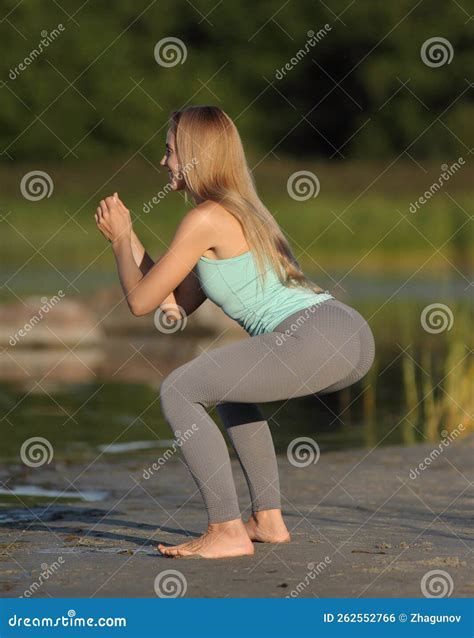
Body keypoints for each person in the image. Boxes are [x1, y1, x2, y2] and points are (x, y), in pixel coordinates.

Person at [94, 105, 375, 560]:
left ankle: (225, 530)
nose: (163, 161)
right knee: (227, 389)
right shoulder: (241, 212)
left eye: (169, 151)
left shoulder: (205, 217)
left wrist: (121, 239)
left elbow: (140, 302)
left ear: (194, 154)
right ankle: (267, 520)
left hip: (315, 335)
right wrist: (128, 240)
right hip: (343, 333)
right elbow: (171, 306)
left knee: (178, 389)